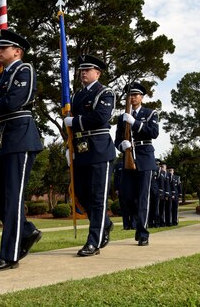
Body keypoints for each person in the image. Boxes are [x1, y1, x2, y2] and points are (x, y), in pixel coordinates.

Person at [0, 29, 44, 271]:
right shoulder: (2, 76)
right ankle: (26, 231)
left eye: (3, 48)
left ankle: (9, 254)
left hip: (20, 138)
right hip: (1, 139)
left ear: (17, 51)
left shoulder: (23, 69)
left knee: (13, 196)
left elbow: (12, 103)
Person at [64, 54, 116, 256]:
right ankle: (106, 223)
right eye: (81, 70)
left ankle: (93, 241)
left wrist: (75, 122)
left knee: (97, 197)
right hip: (81, 150)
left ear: (98, 73)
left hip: (99, 149)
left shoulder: (105, 92)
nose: (83, 73)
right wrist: (69, 147)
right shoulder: (76, 96)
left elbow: (100, 117)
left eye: (88, 70)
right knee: (82, 195)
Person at [114, 82, 159, 246]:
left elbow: (154, 133)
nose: (132, 97)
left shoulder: (150, 113)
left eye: (135, 94)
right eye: (130, 95)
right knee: (126, 195)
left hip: (145, 159)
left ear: (141, 97)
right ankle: (136, 223)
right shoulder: (122, 117)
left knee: (143, 198)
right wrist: (122, 146)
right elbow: (117, 140)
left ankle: (142, 232)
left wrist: (135, 123)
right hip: (128, 159)